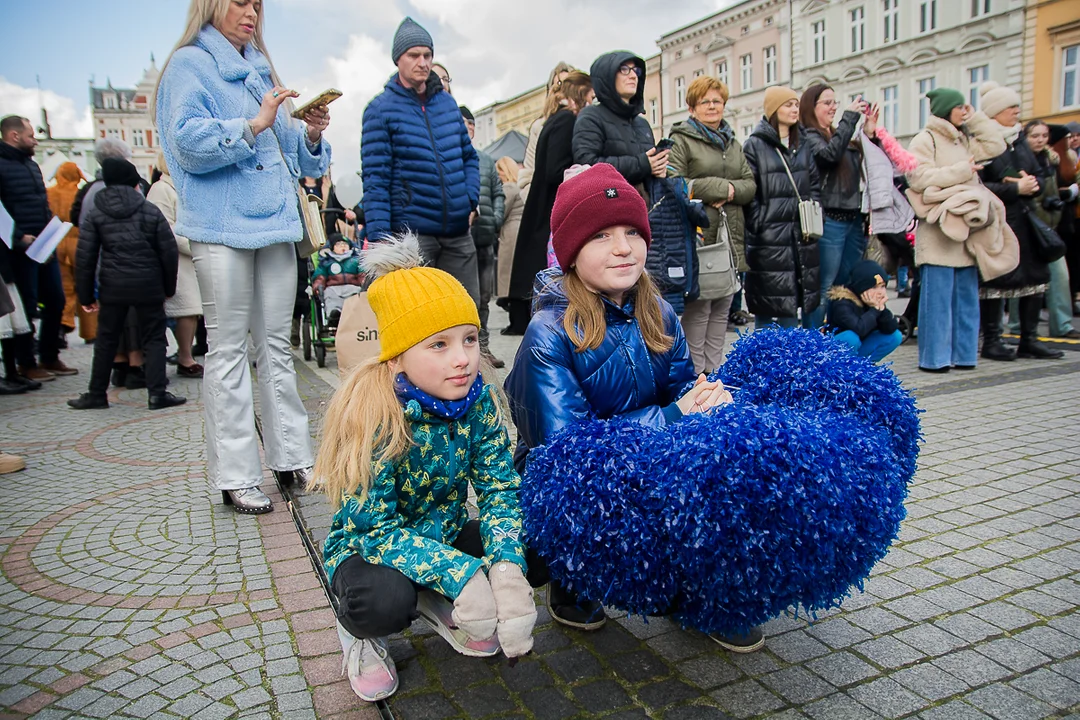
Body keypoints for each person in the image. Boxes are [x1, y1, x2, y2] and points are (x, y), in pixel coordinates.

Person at [504, 164, 762, 652]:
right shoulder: (549, 333)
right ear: (571, 252)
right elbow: (568, 447)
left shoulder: (659, 310)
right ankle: (572, 578)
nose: (623, 247)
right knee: (584, 497)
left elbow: (682, 386)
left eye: (631, 232)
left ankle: (706, 592)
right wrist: (677, 416)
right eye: (601, 235)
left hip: (649, 450)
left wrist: (711, 401)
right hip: (566, 472)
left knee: (723, 464)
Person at [317, 235, 540, 701]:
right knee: (382, 602)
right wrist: (460, 572)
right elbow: (374, 530)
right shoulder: (374, 415)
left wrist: (505, 569)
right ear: (398, 356)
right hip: (370, 549)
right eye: (438, 344)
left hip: (442, 532)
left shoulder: (477, 402)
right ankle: (361, 635)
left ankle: (438, 594)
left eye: (470, 339)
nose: (462, 359)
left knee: (533, 547)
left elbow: (499, 489)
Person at [156, 0, 332, 513]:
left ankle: (292, 458)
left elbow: (295, 154)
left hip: (276, 224)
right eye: (239, 1)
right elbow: (185, 144)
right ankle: (236, 474)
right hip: (221, 225)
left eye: (257, 3)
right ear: (211, 6)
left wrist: (313, 131)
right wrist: (253, 124)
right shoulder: (189, 63)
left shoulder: (260, 66)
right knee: (229, 348)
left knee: (276, 346)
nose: (251, 11)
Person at [361, 17, 481, 305]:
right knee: (421, 314)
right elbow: (375, 180)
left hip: (457, 231)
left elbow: (469, 157)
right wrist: (381, 242)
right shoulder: (380, 110)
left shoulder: (448, 105)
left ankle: (478, 353)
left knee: (469, 307)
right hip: (412, 234)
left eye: (427, 55)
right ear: (398, 60)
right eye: (414, 55)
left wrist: (469, 200)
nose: (423, 62)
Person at [68, 158, 185, 411]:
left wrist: (86, 296)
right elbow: (168, 252)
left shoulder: (97, 213)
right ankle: (157, 394)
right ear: (135, 182)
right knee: (154, 338)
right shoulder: (149, 210)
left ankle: (97, 394)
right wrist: (168, 288)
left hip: (113, 286)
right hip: (148, 284)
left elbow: (85, 257)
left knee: (106, 339)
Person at [906, 88, 1008, 372]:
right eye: (960, 107)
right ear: (946, 108)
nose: (965, 110)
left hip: (966, 230)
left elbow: (996, 145)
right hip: (939, 232)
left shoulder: (963, 138)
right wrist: (963, 171)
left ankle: (964, 356)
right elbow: (917, 178)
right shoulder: (924, 140)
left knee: (966, 300)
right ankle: (934, 359)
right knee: (936, 302)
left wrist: (975, 120)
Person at [668, 76, 755, 372]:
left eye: (717, 101)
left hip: (730, 234)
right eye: (705, 101)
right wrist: (718, 187)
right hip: (700, 233)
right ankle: (694, 375)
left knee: (723, 304)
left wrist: (731, 191)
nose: (712, 106)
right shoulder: (682, 139)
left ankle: (713, 371)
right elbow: (675, 181)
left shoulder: (733, 143)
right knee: (701, 304)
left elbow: (750, 185)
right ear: (692, 107)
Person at [977, 82, 1063, 361]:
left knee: (1036, 279)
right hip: (998, 222)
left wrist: (1032, 182)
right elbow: (980, 185)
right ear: (995, 112)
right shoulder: (982, 142)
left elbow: (1038, 173)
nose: (1017, 110)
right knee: (997, 280)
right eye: (1010, 107)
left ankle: (1029, 339)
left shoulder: (1020, 139)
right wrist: (1015, 188)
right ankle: (992, 340)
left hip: (1027, 220)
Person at [503, 71, 594, 334]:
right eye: (590, 97)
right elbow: (556, 169)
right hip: (550, 206)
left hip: (542, 204)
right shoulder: (565, 121)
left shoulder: (555, 120)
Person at [0, 115, 78, 382]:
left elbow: (40, 203)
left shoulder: (32, 165)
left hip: (45, 244)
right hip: (19, 250)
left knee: (56, 299)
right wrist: (20, 236)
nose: (35, 140)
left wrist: (50, 228)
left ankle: (49, 355)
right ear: (14, 136)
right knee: (27, 304)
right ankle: (26, 362)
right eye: (31, 135)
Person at [741, 87, 822, 330]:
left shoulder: (803, 143)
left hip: (802, 236)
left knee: (793, 303)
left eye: (796, 104)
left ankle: (789, 366)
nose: (794, 109)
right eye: (788, 105)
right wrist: (760, 224)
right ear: (774, 110)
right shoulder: (754, 145)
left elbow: (815, 184)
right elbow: (750, 192)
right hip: (769, 240)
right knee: (767, 307)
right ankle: (762, 365)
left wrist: (815, 214)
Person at [799, 85, 872, 327]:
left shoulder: (836, 133)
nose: (833, 107)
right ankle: (812, 342)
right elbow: (829, 156)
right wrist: (849, 119)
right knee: (823, 286)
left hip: (852, 218)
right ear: (812, 107)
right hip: (829, 220)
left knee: (844, 286)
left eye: (834, 102)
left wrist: (869, 134)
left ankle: (835, 340)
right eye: (827, 103)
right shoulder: (808, 136)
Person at [1007, 121, 1079, 339]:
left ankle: (1063, 325)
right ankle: (1016, 326)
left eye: (1044, 136)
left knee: (1059, 276)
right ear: (1025, 137)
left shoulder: (1052, 159)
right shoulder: (1016, 158)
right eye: (1034, 136)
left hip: (1048, 227)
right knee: (1022, 280)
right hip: (1024, 227)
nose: (1040, 140)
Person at [147, 150, 204, 378]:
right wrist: (194, 245)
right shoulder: (161, 189)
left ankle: (186, 353)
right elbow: (164, 228)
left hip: (191, 258)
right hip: (177, 259)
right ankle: (184, 356)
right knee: (186, 309)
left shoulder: (183, 186)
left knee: (191, 310)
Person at [573, 52, 665, 188]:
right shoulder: (591, 116)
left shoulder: (642, 123)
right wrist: (642, 164)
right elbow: (587, 165)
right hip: (610, 203)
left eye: (636, 70)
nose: (633, 76)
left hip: (645, 205)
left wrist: (659, 168)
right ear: (607, 76)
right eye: (624, 70)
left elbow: (648, 167)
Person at [461, 106, 506, 367]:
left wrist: (496, 219)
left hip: (485, 235)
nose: (468, 127)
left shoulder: (486, 160)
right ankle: (465, 349)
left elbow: (498, 192)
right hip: (459, 237)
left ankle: (484, 348)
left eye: (471, 123)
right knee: (464, 296)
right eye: (463, 123)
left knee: (484, 297)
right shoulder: (449, 158)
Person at [48, 162, 97, 346]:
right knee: (85, 287)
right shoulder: (80, 193)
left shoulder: (49, 193)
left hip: (56, 244)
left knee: (65, 288)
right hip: (79, 243)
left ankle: (63, 324)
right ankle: (90, 331)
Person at [826, 260, 903, 362]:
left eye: (883, 286)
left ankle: (863, 366)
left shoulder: (872, 301)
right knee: (851, 338)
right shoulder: (842, 302)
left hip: (859, 347)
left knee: (895, 336)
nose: (880, 292)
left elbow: (890, 328)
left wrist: (882, 309)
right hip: (835, 352)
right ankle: (840, 369)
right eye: (874, 287)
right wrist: (874, 310)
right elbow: (859, 329)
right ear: (861, 287)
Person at [519, 61, 574, 191]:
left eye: (568, 84)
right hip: (549, 205)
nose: (563, 91)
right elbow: (528, 175)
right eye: (558, 85)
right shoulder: (540, 127)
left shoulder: (585, 122)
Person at [311, 233, 366, 326]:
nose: (342, 247)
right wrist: (317, 286)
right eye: (338, 245)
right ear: (333, 248)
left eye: (345, 244)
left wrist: (365, 283)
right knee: (329, 295)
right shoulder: (327, 262)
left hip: (352, 287)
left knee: (357, 295)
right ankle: (334, 315)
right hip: (333, 288)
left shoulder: (355, 260)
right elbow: (320, 277)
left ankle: (353, 315)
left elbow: (362, 274)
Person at [495, 156, 524, 312]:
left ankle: (507, 300)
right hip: (520, 230)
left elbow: (501, 211)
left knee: (507, 272)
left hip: (511, 232)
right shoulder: (519, 187)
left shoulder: (508, 188)